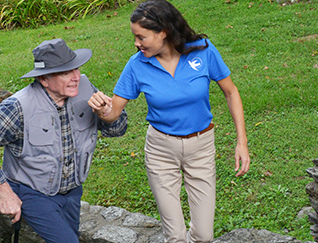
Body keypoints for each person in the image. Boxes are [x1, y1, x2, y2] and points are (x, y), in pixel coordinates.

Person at [88, 0, 250, 242]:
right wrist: (101, 109)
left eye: (141, 37)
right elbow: (112, 113)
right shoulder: (137, 65)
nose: (136, 43)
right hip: (160, 149)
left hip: (201, 147)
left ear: (163, 32)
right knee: (175, 236)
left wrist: (242, 142)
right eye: (135, 36)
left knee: (204, 236)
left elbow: (231, 92)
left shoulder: (203, 51)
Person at [0, 39, 127, 243]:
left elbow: (119, 130)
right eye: (65, 72)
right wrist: (4, 194)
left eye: (76, 68)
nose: (76, 77)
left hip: (72, 191)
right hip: (31, 192)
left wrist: (107, 115)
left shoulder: (87, 90)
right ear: (44, 79)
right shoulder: (18, 107)